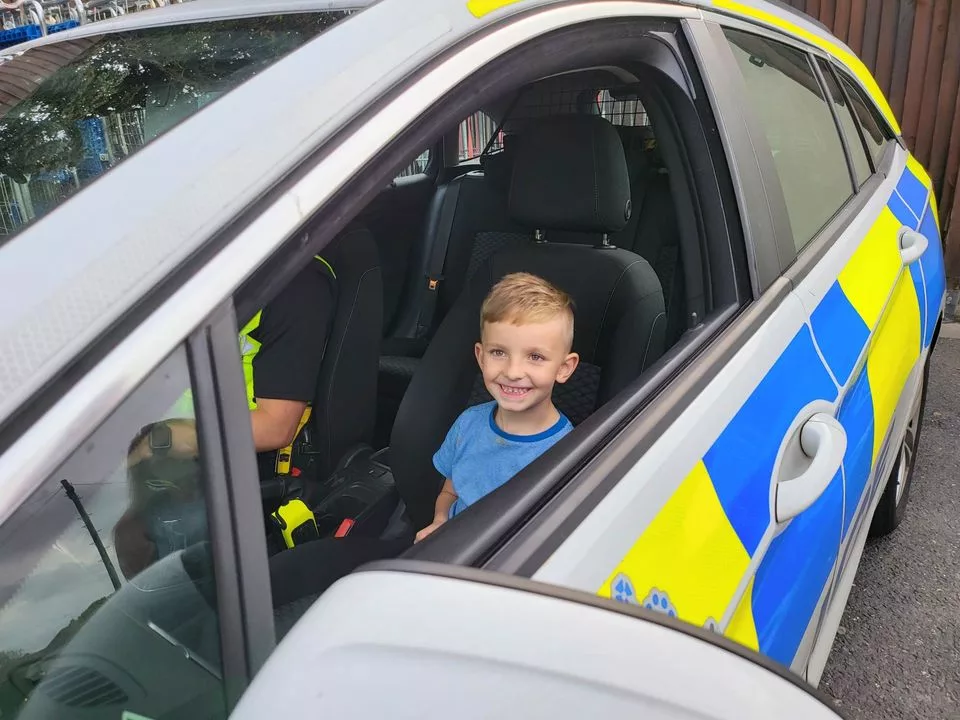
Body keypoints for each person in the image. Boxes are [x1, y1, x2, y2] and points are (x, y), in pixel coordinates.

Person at [114, 260, 334, 578]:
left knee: (153, 553)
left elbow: (276, 425)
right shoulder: (190, 286)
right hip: (169, 454)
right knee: (126, 541)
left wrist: (166, 438)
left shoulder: (293, 287)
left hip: (235, 466)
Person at [415, 272, 580, 543]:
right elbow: (451, 492)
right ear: (481, 357)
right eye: (499, 352)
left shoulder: (565, 452)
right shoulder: (469, 424)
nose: (513, 372)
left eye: (535, 357)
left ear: (564, 368)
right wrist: (440, 522)